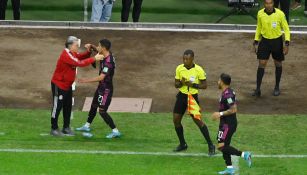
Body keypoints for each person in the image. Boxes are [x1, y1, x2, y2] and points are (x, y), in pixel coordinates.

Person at [50, 36, 103, 136]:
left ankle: (66, 127)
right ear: (70, 45)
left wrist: (88, 52)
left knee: (68, 106)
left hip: (67, 85)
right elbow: (78, 63)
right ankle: (54, 128)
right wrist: (94, 58)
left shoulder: (72, 53)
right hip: (59, 85)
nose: (78, 46)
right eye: (76, 45)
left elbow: (80, 57)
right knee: (57, 107)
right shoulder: (66, 55)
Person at [172, 49, 215, 155]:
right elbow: (176, 84)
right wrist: (181, 83)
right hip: (182, 96)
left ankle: (210, 144)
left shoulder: (199, 70)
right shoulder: (179, 68)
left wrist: (193, 85)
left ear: (192, 59)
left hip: (192, 98)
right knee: (176, 120)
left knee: (198, 121)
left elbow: (204, 85)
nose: (185, 61)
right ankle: (183, 144)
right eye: (184, 59)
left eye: (187, 59)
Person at [77, 39, 121, 139]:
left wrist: (85, 80)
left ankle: (115, 131)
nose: (98, 47)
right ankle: (87, 126)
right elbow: (96, 49)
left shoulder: (108, 62)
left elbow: (101, 77)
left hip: (106, 90)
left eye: (99, 46)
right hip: (101, 87)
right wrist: (91, 45)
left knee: (102, 111)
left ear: (104, 48)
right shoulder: (105, 53)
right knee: (93, 106)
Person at [212, 73, 252, 175]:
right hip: (227, 123)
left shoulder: (228, 94)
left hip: (227, 124)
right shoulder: (227, 92)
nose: (217, 82)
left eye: (218, 80)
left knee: (221, 146)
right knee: (226, 146)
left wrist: (219, 114)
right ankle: (229, 168)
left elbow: (233, 109)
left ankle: (244, 154)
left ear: (222, 82)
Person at [252, 0, 290, 97]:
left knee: (278, 63)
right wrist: (256, 41)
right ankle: (258, 89)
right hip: (264, 41)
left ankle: (277, 87)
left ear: (273, 4)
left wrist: (287, 44)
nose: (268, 5)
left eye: (270, 3)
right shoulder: (260, 13)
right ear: (264, 4)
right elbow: (259, 27)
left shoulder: (280, 14)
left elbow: (286, 29)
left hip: (277, 42)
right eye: (266, 3)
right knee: (261, 64)